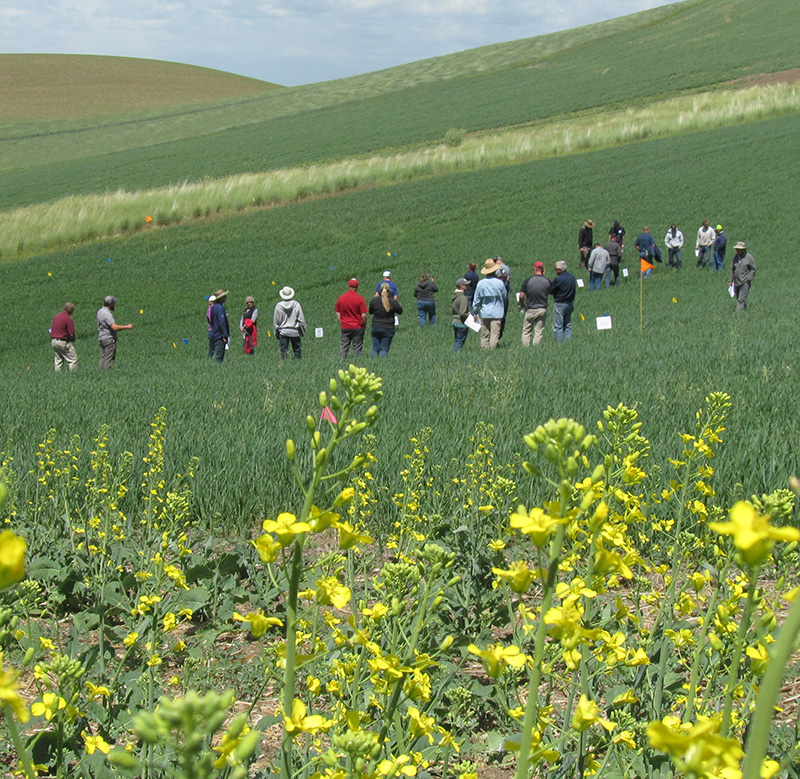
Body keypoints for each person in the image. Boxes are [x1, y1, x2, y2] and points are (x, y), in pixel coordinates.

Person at [471, 258, 507, 349]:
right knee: (495, 334)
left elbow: (476, 299)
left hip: (485, 312)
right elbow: (504, 296)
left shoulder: (481, 283)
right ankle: (493, 351)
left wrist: (475, 312)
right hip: (497, 312)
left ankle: (484, 351)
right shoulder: (500, 283)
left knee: (484, 334)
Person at [518, 262, 550, 346]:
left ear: (534, 269)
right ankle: (536, 349)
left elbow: (521, 296)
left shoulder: (528, 281)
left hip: (530, 309)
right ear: (543, 270)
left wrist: (522, 305)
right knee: (538, 332)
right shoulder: (547, 281)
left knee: (526, 331)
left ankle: (526, 349)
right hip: (542, 309)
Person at [97, 295, 133, 369]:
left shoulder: (100, 311)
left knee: (103, 358)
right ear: (111, 304)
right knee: (109, 359)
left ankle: (100, 373)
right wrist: (127, 326)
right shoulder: (107, 314)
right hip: (108, 339)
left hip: (102, 338)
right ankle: (106, 374)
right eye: (114, 303)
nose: (115, 305)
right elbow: (114, 327)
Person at [335, 278, 368, 358]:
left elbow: (337, 312)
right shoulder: (360, 299)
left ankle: (341, 363)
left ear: (348, 286)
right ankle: (357, 364)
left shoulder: (341, 298)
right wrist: (364, 325)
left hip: (345, 326)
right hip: (357, 326)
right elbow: (364, 315)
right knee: (357, 348)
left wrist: (341, 323)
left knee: (343, 347)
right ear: (357, 287)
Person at [368, 282, 403, 356]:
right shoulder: (392, 302)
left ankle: (373, 364)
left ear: (380, 290)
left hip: (375, 326)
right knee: (384, 349)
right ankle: (382, 363)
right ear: (389, 291)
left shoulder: (374, 300)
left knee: (375, 348)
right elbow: (400, 311)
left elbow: (370, 312)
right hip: (388, 327)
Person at [273, 286, 306, 358]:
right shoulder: (296, 304)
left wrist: (276, 333)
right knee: (297, 351)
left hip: (283, 331)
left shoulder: (278, 306)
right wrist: (302, 331)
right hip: (294, 331)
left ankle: (285, 365)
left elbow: (276, 321)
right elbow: (301, 319)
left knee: (284, 352)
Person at [549, 260, 576, 342]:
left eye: (556, 269)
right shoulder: (572, 277)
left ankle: (558, 344)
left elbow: (551, 290)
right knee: (567, 325)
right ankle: (568, 342)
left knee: (558, 326)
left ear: (559, 270)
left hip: (560, 303)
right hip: (570, 303)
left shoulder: (558, 279)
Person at [728, 242, 756, 311]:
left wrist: (748, 278)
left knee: (741, 300)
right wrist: (730, 280)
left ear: (743, 250)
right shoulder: (735, 257)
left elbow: (753, 269)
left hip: (745, 282)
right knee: (739, 298)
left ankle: (737, 314)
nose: (737, 250)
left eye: (739, 249)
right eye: (737, 249)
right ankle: (745, 310)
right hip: (736, 282)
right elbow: (732, 269)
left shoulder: (748, 257)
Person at [50, 302, 77, 372]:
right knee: (72, 359)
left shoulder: (57, 316)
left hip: (54, 341)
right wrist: (73, 339)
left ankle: (57, 375)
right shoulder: (68, 319)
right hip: (62, 342)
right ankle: (74, 375)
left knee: (58, 360)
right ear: (70, 310)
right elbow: (71, 333)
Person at [208, 290, 230, 363]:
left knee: (214, 352)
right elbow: (221, 322)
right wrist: (224, 335)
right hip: (219, 335)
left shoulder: (213, 307)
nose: (225, 298)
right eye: (224, 296)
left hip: (214, 332)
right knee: (219, 356)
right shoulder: (220, 308)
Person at [451, 278, 471, 352]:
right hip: (461, 323)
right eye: (466, 285)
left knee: (457, 340)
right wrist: (470, 316)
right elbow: (463, 313)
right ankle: (455, 355)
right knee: (460, 341)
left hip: (455, 321)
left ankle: (453, 353)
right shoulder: (463, 298)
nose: (467, 286)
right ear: (461, 286)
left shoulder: (455, 297)